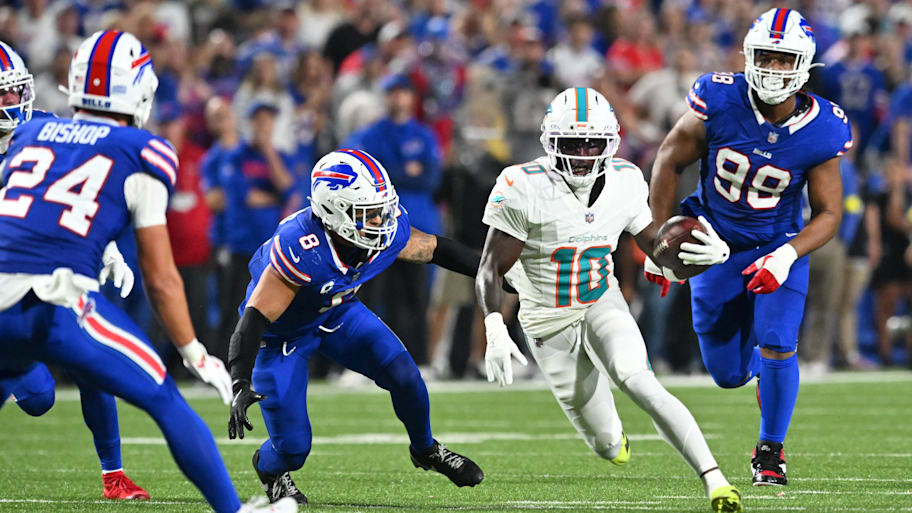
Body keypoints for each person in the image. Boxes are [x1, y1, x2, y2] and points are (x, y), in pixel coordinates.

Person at [0, 30, 296, 513]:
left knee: (36, 392)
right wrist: (194, 352)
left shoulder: (32, 133)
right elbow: (161, 277)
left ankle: (113, 471)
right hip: (52, 301)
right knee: (164, 398)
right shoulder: (144, 149)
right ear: (137, 87)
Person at [475, 87, 742, 513]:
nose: (583, 154)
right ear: (550, 143)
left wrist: (711, 255)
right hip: (548, 324)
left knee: (640, 381)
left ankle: (715, 479)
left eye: (592, 144)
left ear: (610, 143)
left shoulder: (625, 179)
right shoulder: (521, 185)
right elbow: (490, 267)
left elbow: (657, 248)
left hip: (602, 301)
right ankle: (614, 438)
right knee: (606, 445)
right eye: (571, 144)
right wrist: (494, 326)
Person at [647, 9, 852, 486]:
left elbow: (828, 213)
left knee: (780, 342)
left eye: (785, 60)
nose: (773, 69)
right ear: (748, 55)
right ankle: (761, 368)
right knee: (726, 374)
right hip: (710, 243)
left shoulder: (824, 127)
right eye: (765, 57)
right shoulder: (719, 97)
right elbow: (668, 159)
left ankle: (770, 452)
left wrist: (786, 256)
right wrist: (659, 241)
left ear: (804, 64)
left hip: (775, 245)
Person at [227, 148, 485, 504]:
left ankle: (426, 450)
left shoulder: (384, 231)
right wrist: (240, 379)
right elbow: (255, 317)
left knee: (406, 375)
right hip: (280, 337)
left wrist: (493, 270)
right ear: (334, 212)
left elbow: (433, 249)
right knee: (294, 449)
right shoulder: (303, 247)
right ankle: (270, 467)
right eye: (369, 214)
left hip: (336, 314)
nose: (382, 220)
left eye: (382, 209)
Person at [0, 39, 150, 501]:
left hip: (47, 272)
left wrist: (105, 250)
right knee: (40, 396)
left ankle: (114, 475)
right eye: (2, 93)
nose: (15, 101)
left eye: (16, 89)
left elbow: (85, 198)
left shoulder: (47, 128)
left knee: (90, 359)